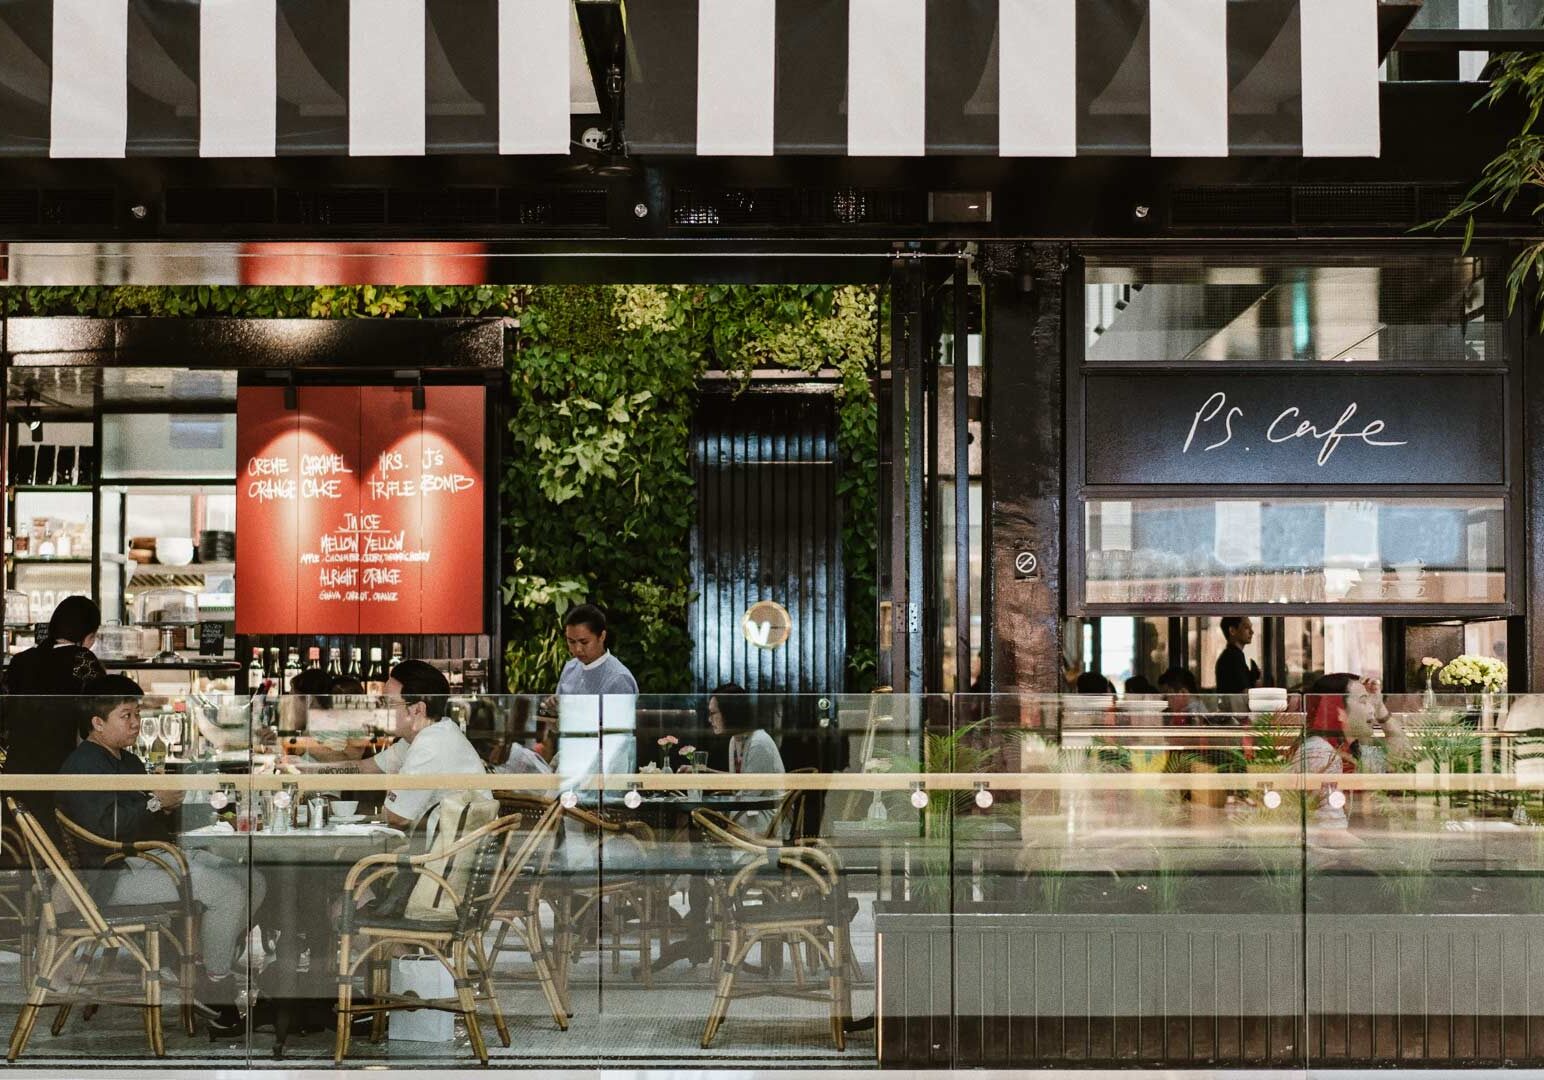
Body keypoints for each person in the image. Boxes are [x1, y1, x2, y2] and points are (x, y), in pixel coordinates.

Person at [56, 675, 266, 1034]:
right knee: (227, 891)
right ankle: (213, 984)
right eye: (127, 715)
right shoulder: (84, 765)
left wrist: (180, 807)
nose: (136, 722)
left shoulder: (126, 761)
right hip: (111, 877)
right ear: (98, 723)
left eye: (137, 713)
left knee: (254, 880)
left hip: (150, 859)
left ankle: (195, 962)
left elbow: (146, 823)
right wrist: (157, 801)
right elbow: (109, 830)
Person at [1, 596, 107, 825]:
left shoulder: (21, 660)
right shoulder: (83, 660)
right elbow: (99, 718)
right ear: (89, 635)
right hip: (62, 772)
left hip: (17, 771)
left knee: (25, 840)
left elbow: (5, 715)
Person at [354, 660, 488, 834]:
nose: (381, 710)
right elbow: (364, 768)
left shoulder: (430, 745)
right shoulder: (426, 735)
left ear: (418, 710)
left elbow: (396, 817)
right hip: (441, 850)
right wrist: (312, 770)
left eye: (389, 703)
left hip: (443, 857)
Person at [707, 683, 785, 833]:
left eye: (713, 713)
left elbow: (748, 795)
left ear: (729, 712)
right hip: (747, 815)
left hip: (765, 823)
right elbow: (738, 783)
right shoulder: (735, 740)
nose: (710, 720)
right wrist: (704, 772)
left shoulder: (759, 742)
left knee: (706, 820)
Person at [556, 604, 639, 696]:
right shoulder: (570, 668)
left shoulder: (619, 679)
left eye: (584, 642)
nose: (578, 649)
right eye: (571, 641)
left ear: (602, 636)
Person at [1214, 617, 1262, 694]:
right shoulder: (1233, 657)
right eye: (1246, 627)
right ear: (1232, 631)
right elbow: (1243, 693)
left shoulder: (1232, 655)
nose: (1252, 632)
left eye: (1251, 627)